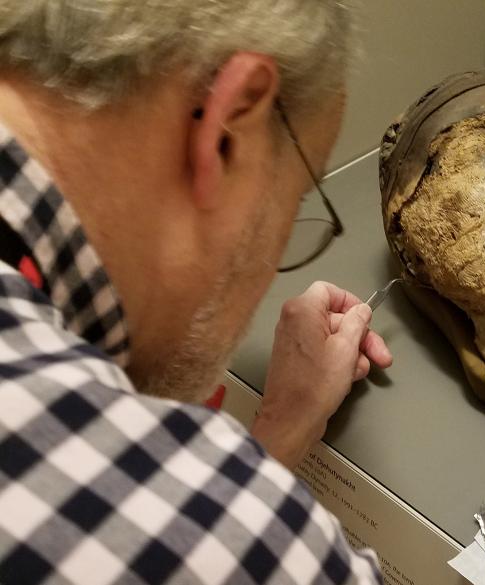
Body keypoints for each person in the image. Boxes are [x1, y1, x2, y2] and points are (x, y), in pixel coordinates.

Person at [0, 1, 392, 583]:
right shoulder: (270, 556)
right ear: (228, 126)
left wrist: (280, 431)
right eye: (298, 201)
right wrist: (247, 510)